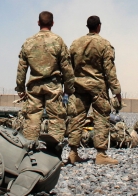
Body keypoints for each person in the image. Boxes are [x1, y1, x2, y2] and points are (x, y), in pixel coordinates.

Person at [67, 16, 122, 166]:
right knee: (102, 118)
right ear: (99, 26)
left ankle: (73, 153)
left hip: (79, 86)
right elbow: (110, 71)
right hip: (98, 88)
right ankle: (101, 155)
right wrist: (117, 91)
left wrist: (68, 86)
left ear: (87, 26)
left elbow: (68, 66)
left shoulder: (75, 44)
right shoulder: (104, 44)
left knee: (76, 118)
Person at [15, 11, 75, 151]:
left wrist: (20, 89)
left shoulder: (29, 42)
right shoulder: (58, 41)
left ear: (38, 23)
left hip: (34, 86)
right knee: (56, 118)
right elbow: (67, 67)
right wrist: (69, 88)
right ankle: (53, 151)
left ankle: (29, 150)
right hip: (53, 86)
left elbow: (21, 68)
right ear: (52, 23)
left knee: (32, 119)